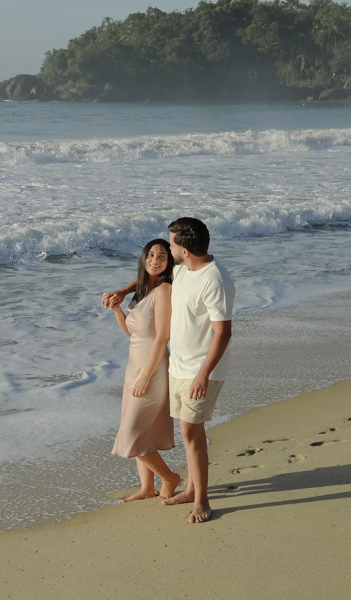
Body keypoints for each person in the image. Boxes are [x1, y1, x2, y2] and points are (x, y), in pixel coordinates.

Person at [103, 218, 234, 523]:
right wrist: (123, 292)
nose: (165, 251)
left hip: (198, 370)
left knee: (188, 431)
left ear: (184, 250)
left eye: (170, 245)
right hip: (177, 366)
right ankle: (175, 488)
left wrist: (202, 373)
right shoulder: (184, 270)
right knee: (180, 430)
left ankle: (199, 498)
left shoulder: (215, 280)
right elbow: (151, 278)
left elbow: (223, 333)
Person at [108, 239, 183, 503]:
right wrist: (117, 309)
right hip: (134, 368)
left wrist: (146, 376)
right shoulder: (143, 291)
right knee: (143, 433)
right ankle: (146, 488)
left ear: (168, 262)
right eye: (150, 255)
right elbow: (133, 333)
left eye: (162, 256)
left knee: (131, 436)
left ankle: (170, 477)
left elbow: (162, 338)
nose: (155, 260)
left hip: (152, 370)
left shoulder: (163, 291)